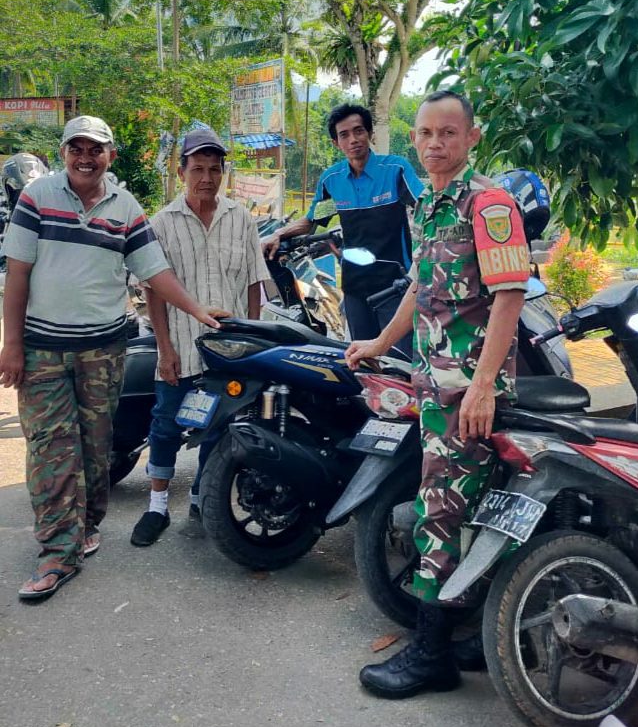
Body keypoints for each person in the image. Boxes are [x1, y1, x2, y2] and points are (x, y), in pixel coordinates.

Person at [345, 90, 530, 698]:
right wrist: (380, 342)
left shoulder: (489, 203)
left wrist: (483, 386)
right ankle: (479, 636)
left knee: (439, 511)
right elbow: (419, 286)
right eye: (425, 133)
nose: (434, 143)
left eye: (448, 133)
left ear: (471, 138)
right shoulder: (427, 201)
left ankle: (430, 655)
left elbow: (509, 295)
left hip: (466, 391)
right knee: (471, 510)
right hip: (434, 381)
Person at [0, 115, 223, 604]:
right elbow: (17, 274)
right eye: (76, 148)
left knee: (96, 447)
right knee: (52, 449)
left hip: (103, 351)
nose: (85, 157)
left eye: (95, 149)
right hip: (43, 349)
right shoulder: (37, 198)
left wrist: (196, 309)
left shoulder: (125, 208)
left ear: (110, 156)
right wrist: (11, 345)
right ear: (63, 153)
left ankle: (85, 526)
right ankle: (58, 553)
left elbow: (154, 271)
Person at [130, 128, 271, 547]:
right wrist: (164, 349)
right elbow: (153, 291)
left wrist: (252, 342)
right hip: (180, 344)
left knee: (218, 426)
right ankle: (157, 505)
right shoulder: (162, 223)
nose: (207, 178)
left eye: (214, 169)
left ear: (223, 172)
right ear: (181, 173)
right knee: (165, 425)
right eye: (197, 169)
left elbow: (253, 283)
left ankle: (199, 500)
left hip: (229, 352)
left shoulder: (241, 219)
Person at [262, 103, 423, 355]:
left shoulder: (395, 170)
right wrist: (277, 234)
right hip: (355, 288)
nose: (353, 140)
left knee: (400, 362)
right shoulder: (332, 180)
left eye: (358, 131)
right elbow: (311, 221)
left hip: (395, 286)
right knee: (362, 360)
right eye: (344, 135)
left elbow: (425, 207)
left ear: (369, 133)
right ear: (336, 143)